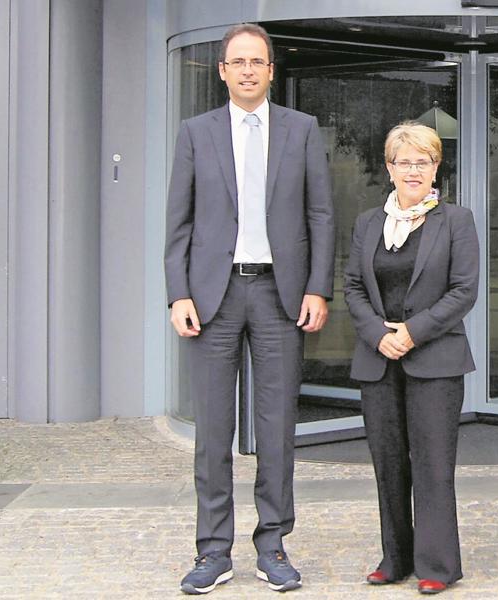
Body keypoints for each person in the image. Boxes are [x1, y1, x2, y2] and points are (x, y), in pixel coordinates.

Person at [165, 23, 334, 594]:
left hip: (279, 296)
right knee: (213, 431)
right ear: (222, 71)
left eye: (256, 61)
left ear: (270, 69)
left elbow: (320, 216)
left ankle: (273, 544)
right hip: (211, 297)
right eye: (236, 62)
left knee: (277, 426)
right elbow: (179, 222)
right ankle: (213, 550)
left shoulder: (302, 130)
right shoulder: (196, 132)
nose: (246, 70)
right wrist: (177, 292)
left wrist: (317, 288)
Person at [343, 122, 479, 595]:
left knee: (434, 465)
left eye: (423, 161)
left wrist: (412, 332)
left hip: (435, 359)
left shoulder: (456, 221)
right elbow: (354, 287)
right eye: (404, 162)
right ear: (390, 168)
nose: (413, 170)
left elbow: (464, 290)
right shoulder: (367, 223)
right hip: (378, 360)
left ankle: (437, 566)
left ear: (436, 166)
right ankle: (395, 558)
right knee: (388, 463)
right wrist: (378, 333)